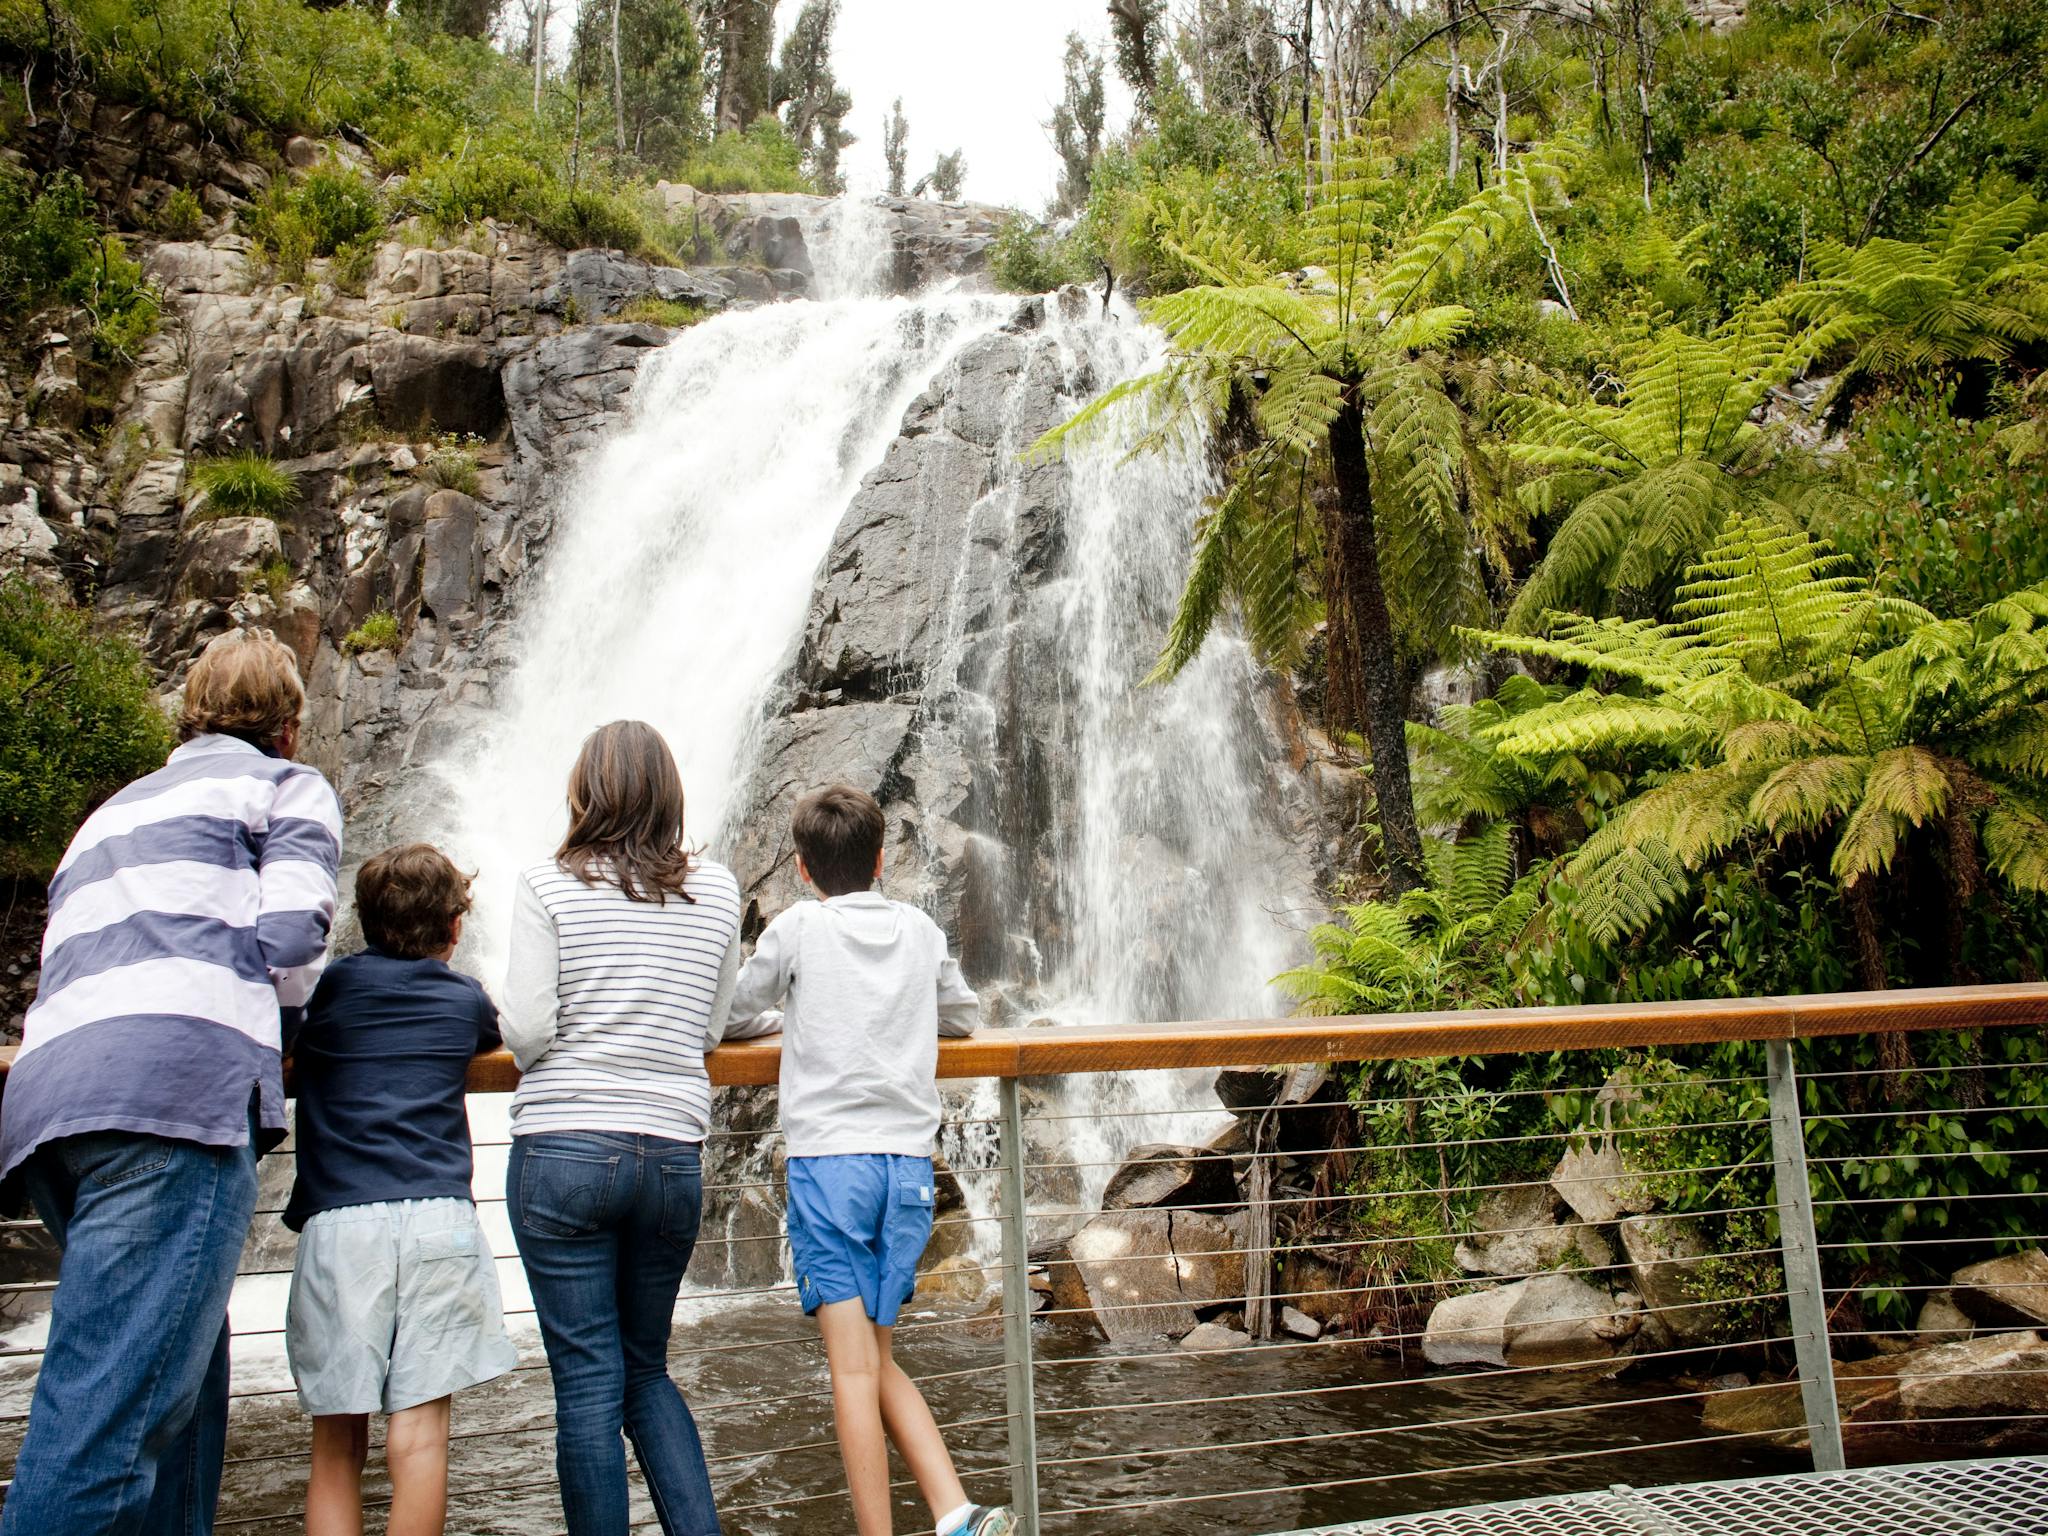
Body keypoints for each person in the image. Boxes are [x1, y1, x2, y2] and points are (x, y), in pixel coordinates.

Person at [0, 629, 342, 1536]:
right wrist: (289, 1037)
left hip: (50, 1103)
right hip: (172, 1102)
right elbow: (294, 936)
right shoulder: (284, 787)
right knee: (105, 1429)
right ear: (292, 725)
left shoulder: (109, 813)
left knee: (176, 1381)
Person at [722, 784, 1009, 1536]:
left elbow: (728, 1011)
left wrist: (785, 1015)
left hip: (831, 1171)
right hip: (908, 1173)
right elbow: (964, 1014)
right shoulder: (917, 929)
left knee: (851, 1371)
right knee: (875, 1360)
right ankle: (954, 1513)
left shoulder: (797, 930)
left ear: (801, 869)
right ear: (882, 859)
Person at [500, 720, 743, 1536]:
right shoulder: (719, 890)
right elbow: (711, 1031)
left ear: (585, 790)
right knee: (647, 1372)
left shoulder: (546, 883)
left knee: (587, 1384)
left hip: (565, 1150)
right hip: (671, 1156)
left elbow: (528, 1033)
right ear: (669, 795)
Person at [283, 843, 516, 1536]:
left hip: (342, 1223)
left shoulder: (336, 988)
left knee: (335, 1447)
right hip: (438, 1218)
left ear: (364, 922)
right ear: (454, 926)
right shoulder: (463, 995)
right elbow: (491, 1036)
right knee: (418, 1440)